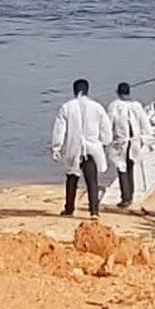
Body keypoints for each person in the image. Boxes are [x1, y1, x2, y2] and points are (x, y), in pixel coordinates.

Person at [49, 78, 111, 219]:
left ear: (75, 90)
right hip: (92, 147)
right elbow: (106, 128)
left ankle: (69, 208)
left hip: (74, 147)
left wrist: (56, 147)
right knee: (92, 180)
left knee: (72, 177)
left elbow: (59, 130)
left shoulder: (67, 107)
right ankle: (94, 211)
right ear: (87, 90)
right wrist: (105, 142)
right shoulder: (97, 107)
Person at [106, 82, 151, 210]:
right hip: (134, 142)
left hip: (122, 142)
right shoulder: (136, 106)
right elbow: (144, 124)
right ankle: (130, 194)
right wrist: (146, 138)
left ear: (118, 92)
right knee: (130, 167)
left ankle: (126, 197)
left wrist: (106, 140)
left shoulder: (114, 106)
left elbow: (109, 124)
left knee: (122, 169)